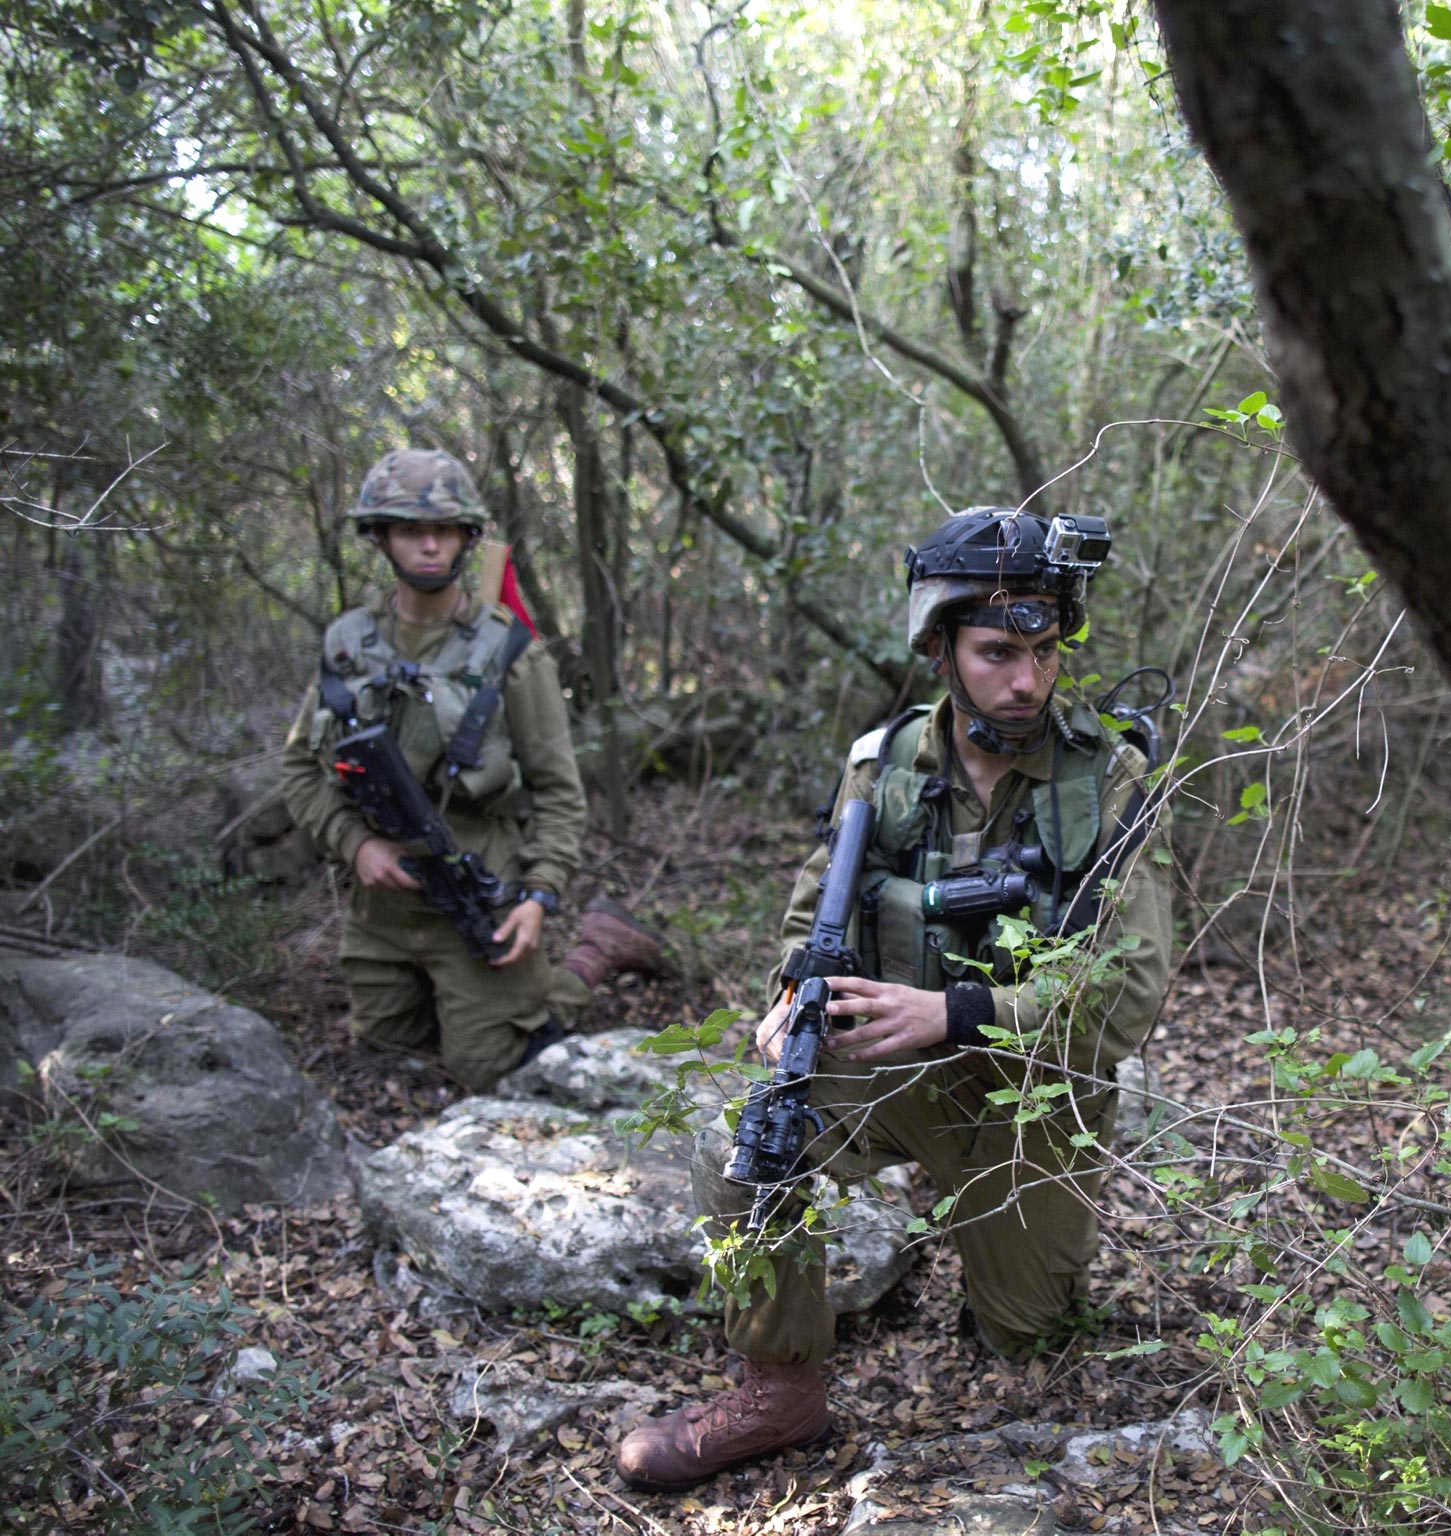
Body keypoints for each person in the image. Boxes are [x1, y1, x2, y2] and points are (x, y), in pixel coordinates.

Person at [616, 507, 1173, 1491]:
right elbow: (811, 898)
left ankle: (996, 1273)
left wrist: (957, 1013)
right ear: (940, 649)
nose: (1027, 679)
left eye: (1045, 652)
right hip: (887, 1071)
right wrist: (793, 988)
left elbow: (1127, 993)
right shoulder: (882, 766)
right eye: (998, 651)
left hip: (1027, 1097)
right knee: (747, 1149)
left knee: (1026, 1343)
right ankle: (777, 1386)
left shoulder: (1110, 778)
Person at [279, 447, 670, 1091]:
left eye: (445, 532)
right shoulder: (347, 645)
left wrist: (541, 893)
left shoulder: (509, 650)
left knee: (493, 1067)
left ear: (467, 539)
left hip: (477, 887)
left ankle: (596, 947)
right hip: (382, 906)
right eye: (410, 530)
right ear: (381, 538)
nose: (429, 547)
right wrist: (357, 845)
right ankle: (462, 1000)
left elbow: (559, 790)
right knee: (384, 1048)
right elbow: (299, 766)